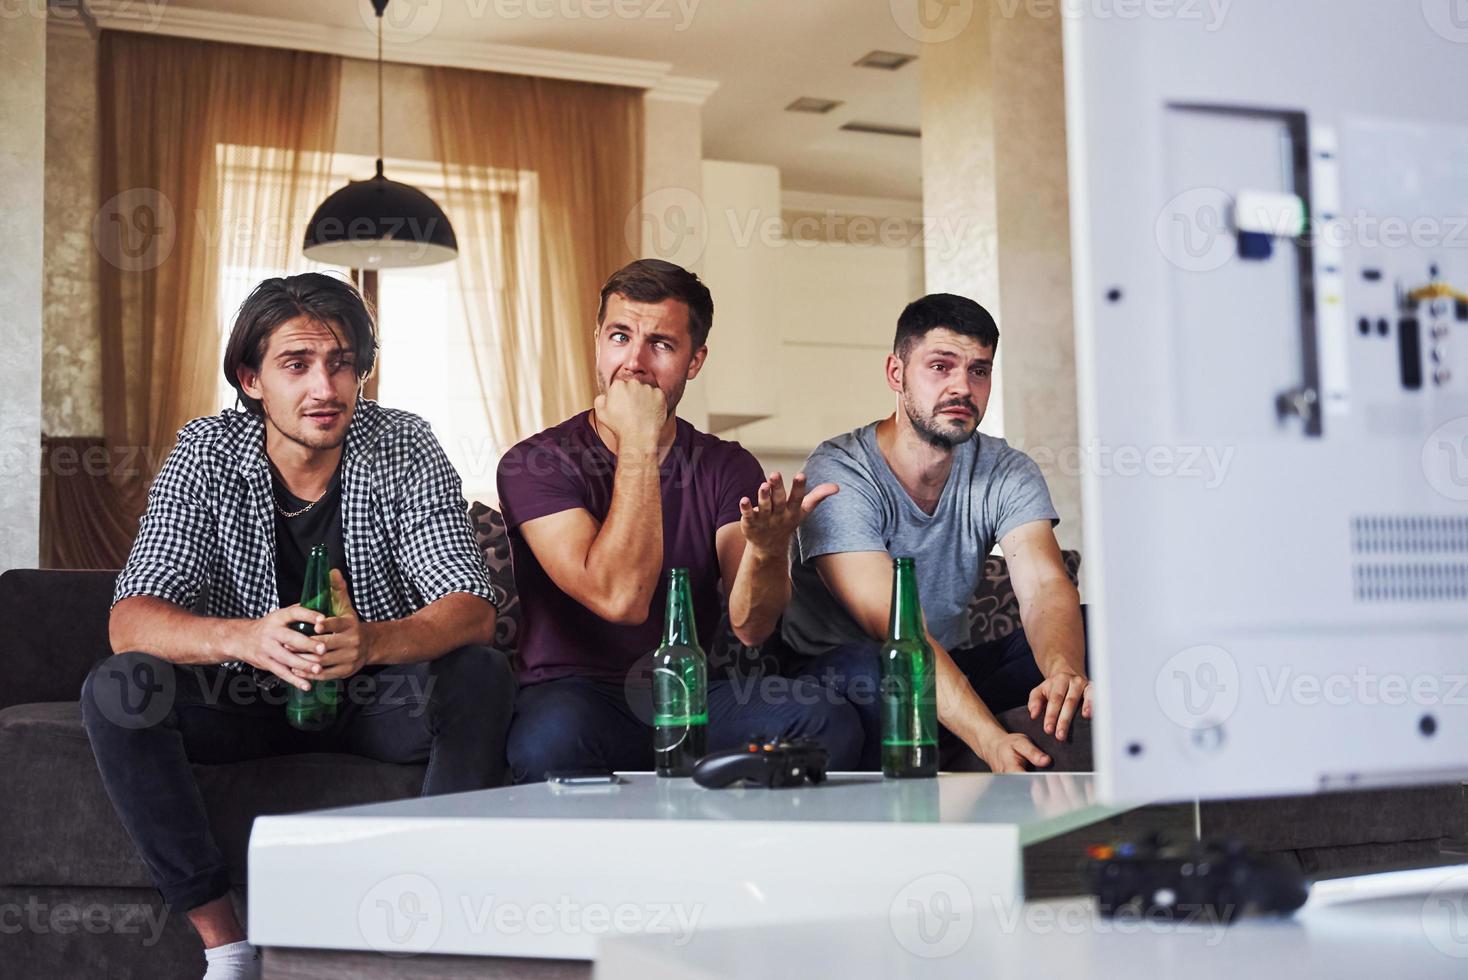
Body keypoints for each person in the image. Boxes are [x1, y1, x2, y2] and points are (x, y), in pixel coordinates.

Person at [81, 273, 514, 980]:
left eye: (343, 364)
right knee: (118, 687)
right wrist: (247, 637)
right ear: (251, 379)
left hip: (371, 697)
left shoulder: (403, 443)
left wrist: (373, 641)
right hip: (240, 695)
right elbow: (131, 619)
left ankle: (434, 921)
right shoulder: (205, 453)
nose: (326, 387)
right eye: (298, 365)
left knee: (480, 674)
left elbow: (470, 606)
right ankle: (227, 948)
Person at [496, 258, 863, 782]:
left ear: (695, 361)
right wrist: (640, 441)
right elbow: (620, 598)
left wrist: (766, 551)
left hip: (691, 695)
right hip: (575, 694)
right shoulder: (535, 462)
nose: (635, 362)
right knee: (547, 744)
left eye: (662, 345)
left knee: (826, 722)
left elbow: (752, 626)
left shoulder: (726, 465)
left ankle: (736, 857)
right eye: (620, 336)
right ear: (597, 341)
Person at [774, 293, 1091, 773]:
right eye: (941, 367)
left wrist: (1063, 669)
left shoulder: (1005, 469)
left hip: (950, 666)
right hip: (847, 675)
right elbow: (898, 630)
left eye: (978, 371)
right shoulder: (839, 469)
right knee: (884, 672)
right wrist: (990, 741)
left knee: (1097, 631)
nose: (962, 387)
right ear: (896, 374)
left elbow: (1044, 587)